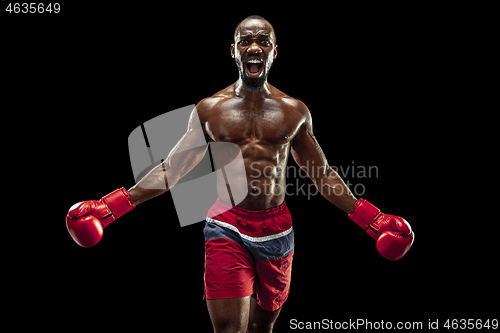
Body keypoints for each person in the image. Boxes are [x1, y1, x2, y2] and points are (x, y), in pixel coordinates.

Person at [66, 15, 414, 333]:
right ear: (233, 51)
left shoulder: (294, 112)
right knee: (229, 331)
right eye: (246, 40)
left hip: (276, 231)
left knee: (262, 329)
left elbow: (321, 175)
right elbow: (173, 169)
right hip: (226, 224)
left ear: (274, 52)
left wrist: (374, 220)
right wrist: (111, 207)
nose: (254, 47)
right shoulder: (210, 110)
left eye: (263, 41)